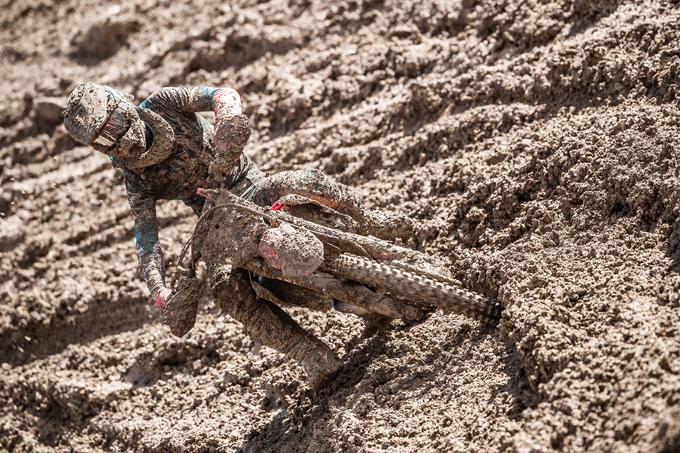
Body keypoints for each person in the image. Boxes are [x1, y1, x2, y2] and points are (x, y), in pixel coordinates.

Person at [63, 83, 413, 387]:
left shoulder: (164, 104)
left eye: (117, 123)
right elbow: (146, 241)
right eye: (106, 138)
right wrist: (161, 291)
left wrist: (227, 115)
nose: (119, 137)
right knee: (227, 292)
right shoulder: (135, 178)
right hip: (216, 220)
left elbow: (219, 93)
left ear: (124, 105)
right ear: (100, 148)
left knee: (308, 181)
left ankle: (369, 220)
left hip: (250, 184)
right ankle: (309, 354)